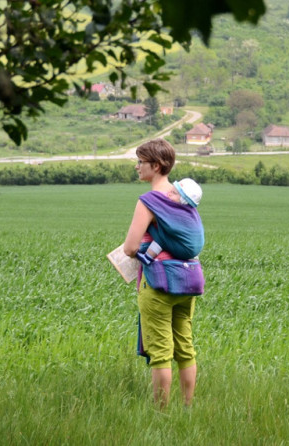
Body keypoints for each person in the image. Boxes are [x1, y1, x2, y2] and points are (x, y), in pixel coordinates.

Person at [122, 139, 205, 408]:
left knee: (160, 353)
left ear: (155, 166)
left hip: (158, 285)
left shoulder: (149, 201)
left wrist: (140, 251)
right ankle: (188, 407)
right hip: (188, 282)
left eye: (141, 162)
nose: (137, 167)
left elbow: (130, 247)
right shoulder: (184, 198)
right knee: (185, 347)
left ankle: (162, 413)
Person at [136, 177, 203, 266]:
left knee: (161, 237)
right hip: (194, 248)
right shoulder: (189, 212)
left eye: (174, 193)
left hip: (186, 250)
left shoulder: (178, 214)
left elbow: (168, 227)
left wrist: (149, 223)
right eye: (171, 190)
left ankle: (147, 257)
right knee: (163, 235)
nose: (169, 194)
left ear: (184, 201)